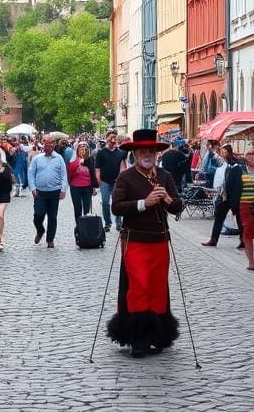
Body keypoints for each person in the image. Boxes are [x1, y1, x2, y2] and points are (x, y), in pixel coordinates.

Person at [107, 129, 184, 358]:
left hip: (159, 240)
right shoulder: (126, 177)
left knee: (158, 287)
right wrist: (144, 203)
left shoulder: (164, 176)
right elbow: (116, 207)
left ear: (156, 154)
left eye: (151, 151)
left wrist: (169, 200)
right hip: (135, 240)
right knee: (139, 286)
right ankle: (138, 338)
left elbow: (177, 207)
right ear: (135, 153)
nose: (147, 154)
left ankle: (159, 334)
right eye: (143, 151)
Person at [28, 135, 68, 249]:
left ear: (54, 145)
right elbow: (31, 173)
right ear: (43, 145)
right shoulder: (37, 158)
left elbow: (64, 175)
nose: (47, 146)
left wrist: (63, 189)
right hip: (40, 192)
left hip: (54, 191)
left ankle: (50, 239)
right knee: (38, 215)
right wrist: (33, 188)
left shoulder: (59, 158)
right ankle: (40, 230)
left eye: (50, 144)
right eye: (45, 144)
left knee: (52, 216)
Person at [203, 144, 243, 247]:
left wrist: (235, 200)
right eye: (222, 152)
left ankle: (243, 240)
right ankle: (213, 239)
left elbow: (237, 185)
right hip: (224, 196)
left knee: (238, 218)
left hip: (233, 197)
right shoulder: (226, 165)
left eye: (225, 152)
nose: (223, 154)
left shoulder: (236, 166)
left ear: (229, 153)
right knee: (219, 216)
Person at [95, 130, 127, 233]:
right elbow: (97, 167)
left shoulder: (121, 153)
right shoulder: (101, 153)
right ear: (107, 139)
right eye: (111, 138)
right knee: (105, 202)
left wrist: (120, 178)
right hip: (104, 181)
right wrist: (98, 179)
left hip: (116, 181)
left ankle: (118, 223)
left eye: (114, 138)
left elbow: (123, 166)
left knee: (117, 202)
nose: (113, 140)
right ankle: (108, 223)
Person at [67, 141, 98, 226]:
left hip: (87, 187)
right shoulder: (74, 160)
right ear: (77, 150)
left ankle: (86, 228)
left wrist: (93, 187)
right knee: (77, 209)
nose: (83, 150)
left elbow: (92, 174)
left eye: (85, 148)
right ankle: (79, 227)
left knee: (87, 210)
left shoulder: (90, 160)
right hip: (75, 187)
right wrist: (78, 163)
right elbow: (70, 173)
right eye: (80, 148)